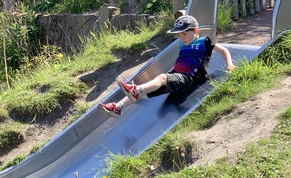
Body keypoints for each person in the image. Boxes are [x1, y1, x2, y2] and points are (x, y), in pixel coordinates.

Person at [98, 15, 235, 118]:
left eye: (185, 34)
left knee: (161, 78)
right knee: (147, 88)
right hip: (177, 75)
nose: (182, 37)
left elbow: (224, 50)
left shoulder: (203, 41)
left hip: (189, 78)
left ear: (196, 31)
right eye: (179, 35)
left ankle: (136, 89)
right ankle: (118, 107)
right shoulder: (182, 44)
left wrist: (229, 65)